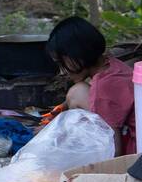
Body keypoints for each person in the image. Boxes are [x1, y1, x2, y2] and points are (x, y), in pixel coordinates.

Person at [46, 16, 136, 153]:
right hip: (140, 139)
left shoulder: (104, 85)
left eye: (61, 63)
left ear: (77, 54)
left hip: (134, 150)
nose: (62, 71)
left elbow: (112, 141)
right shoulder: (112, 65)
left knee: (77, 93)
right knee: (76, 92)